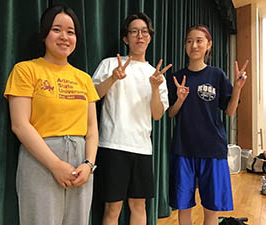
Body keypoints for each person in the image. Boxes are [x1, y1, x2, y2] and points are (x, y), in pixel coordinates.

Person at [4, 5, 99, 225]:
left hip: (81, 163)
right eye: (57, 29)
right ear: (44, 33)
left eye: (71, 32)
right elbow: (20, 125)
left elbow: (92, 129)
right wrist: (55, 164)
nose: (64, 37)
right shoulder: (25, 70)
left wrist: (88, 164)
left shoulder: (84, 78)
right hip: (41, 158)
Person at [92, 12, 172, 225]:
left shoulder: (156, 75)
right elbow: (93, 96)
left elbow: (157, 115)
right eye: (134, 31)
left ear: (150, 38)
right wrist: (113, 78)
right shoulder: (110, 64)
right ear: (126, 38)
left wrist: (155, 87)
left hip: (142, 148)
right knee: (112, 208)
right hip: (112, 145)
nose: (140, 36)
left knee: (139, 206)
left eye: (144, 32)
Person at [167, 25, 249, 225]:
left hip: (212, 149)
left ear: (208, 45)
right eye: (189, 41)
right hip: (183, 149)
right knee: (183, 205)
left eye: (199, 40)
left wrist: (237, 88)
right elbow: (170, 113)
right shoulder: (177, 77)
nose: (193, 45)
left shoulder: (217, 75)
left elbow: (229, 111)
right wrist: (179, 99)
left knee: (211, 207)